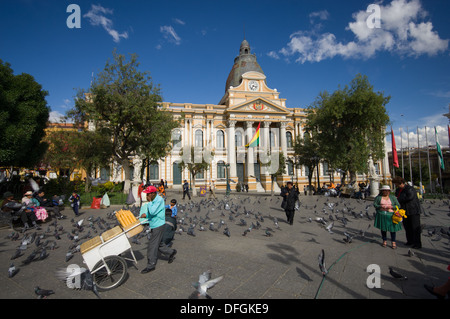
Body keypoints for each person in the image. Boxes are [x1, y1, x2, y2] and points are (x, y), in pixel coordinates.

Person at [139, 186, 177, 274]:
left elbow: (152, 211)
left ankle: (151, 265)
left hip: (158, 225)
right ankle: (171, 252)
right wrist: (146, 215)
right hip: (154, 224)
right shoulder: (154, 201)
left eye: (148, 194)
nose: (147, 196)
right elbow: (153, 213)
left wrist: (148, 203)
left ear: (153, 194)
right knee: (159, 244)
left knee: (152, 246)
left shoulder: (158, 200)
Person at [393, 176, 422, 249]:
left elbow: (409, 197)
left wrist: (398, 199)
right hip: (404, 211)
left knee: (415, 227)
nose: (397, 186)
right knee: (407, 227)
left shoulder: (409, 188)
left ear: (402, 183)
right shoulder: (398, 190)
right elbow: (396, 197)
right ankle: (410, 241)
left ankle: (417, 243)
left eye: (398, 184)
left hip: (413, 210)